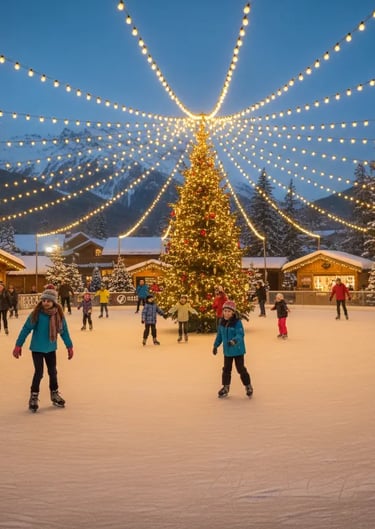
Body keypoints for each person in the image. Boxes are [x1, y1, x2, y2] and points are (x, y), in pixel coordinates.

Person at [12, 287, 74, 412]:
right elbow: (26, 329)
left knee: (53, 372)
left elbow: (64, 331)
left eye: (49, 301)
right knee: (39, 372)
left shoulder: (58, 315)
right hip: (37, 349)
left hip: (51, 348)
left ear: (54, 302)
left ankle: (54, 393)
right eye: (44, 300)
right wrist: (18, 345)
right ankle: (34, 396)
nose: (46, 302)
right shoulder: (36, 314)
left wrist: (69, 346)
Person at [212, 300, 253, 398]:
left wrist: (234, 341)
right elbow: (219, 336)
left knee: (241, 369)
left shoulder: (237, 323)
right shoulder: (222, 322)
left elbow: (240, 334)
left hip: (238, 350)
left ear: (233, 312)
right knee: (226, 369)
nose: (226, 313)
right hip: (227, 352)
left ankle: (248, 386)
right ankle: (226, 387)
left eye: (229, 311)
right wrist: (215, 345)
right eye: (225, 311)